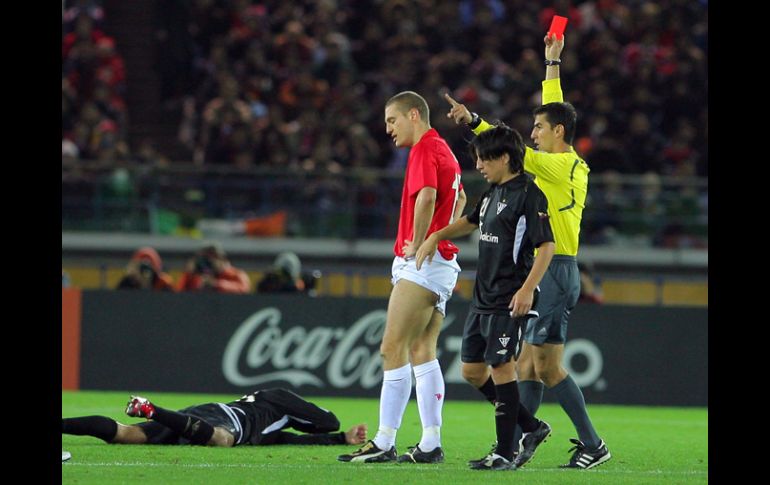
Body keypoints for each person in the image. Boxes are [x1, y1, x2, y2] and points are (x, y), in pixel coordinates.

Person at [445, 33, 611, 469]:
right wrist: (552, 63)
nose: (533, 133)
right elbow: (555, 108)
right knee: (528, 366)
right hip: (550, 269)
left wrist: (473, 121)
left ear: (558, 133)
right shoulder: (560, 155)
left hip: (554, 268)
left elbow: (515, 150)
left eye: (539, 127)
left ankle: (593, 444)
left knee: (546, 367)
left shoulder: (560, 165)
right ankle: (523, 438)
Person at [415, 123, 555, 471]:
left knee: (501, 367)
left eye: (484, 159)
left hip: (510, 298)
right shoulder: (492, 192)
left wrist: (527, 290)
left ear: (504, 157)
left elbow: (546, 246)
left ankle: (504, 453)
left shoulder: (530, 194)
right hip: (483, 298)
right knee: (472, 371)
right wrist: (436, 236)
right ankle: (532, 427)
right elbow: (470, 221)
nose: (478, 165)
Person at [338, 91, 466, 464]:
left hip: (423, 263)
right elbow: (460, 200)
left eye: (392, 120)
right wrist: (438, 237)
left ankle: (384, 441)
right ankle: (430, 442)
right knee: (422, 351)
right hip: (440, 263)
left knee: (391, 348)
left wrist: (421, 241)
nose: (388, 129)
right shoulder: (445, 150)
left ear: (413, 115)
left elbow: (426, 197)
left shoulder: (424, 148)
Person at [62, 388, 367, 447]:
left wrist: (341, 440)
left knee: (128, 434)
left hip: (202, 414)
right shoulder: (279, 398)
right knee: (223, 440)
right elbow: (329, 420)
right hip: (227, 418)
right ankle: (152, 409)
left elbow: (287, 439)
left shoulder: (273, 423)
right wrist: (337, 430)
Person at [177, 242, 251, 294]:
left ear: (222, 259)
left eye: (212, 258)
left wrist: (216, 284)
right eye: (205, 258)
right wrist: (189, 274)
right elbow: (179, 294)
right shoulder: (195, 276)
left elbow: (244, 289)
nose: (208, 262)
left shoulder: (236, 274)